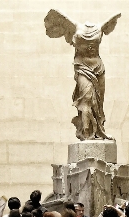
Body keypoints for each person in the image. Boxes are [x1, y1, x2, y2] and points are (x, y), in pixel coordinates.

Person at [44, 9, 121, 140]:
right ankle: (86, 134)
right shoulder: (75, 27)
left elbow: (109, 23)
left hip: (98, 67)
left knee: (98, 102)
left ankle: (99, 131)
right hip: (82, 66)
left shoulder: (100, 28)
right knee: (87, 99)